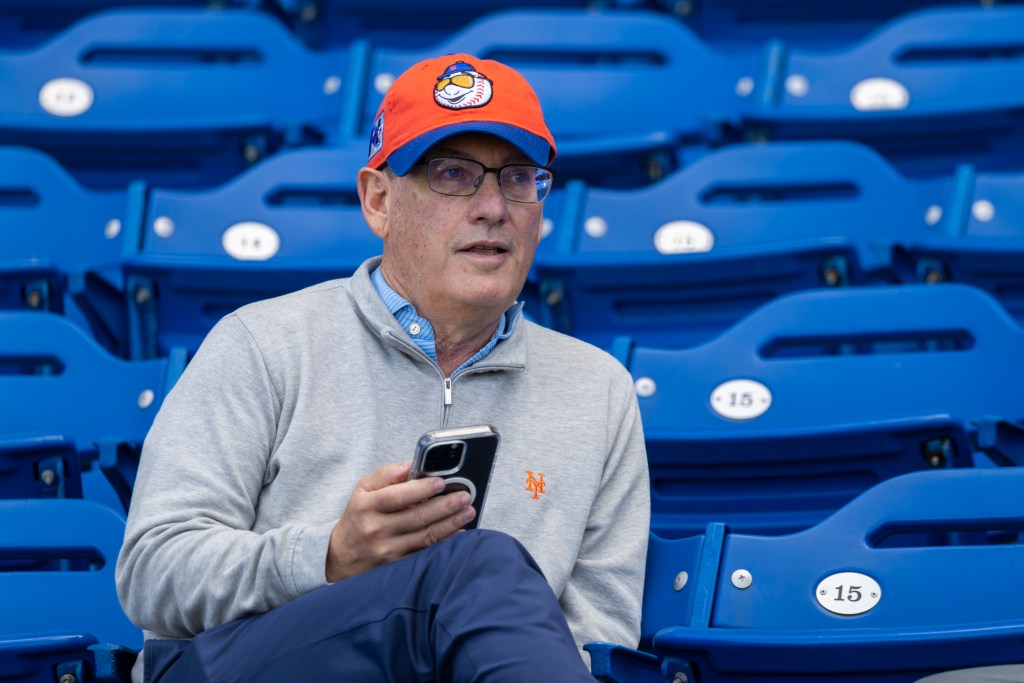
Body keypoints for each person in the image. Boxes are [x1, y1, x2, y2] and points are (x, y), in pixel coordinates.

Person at [116, 53, 650, 682]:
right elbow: (153, 573)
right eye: (453, 174)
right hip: (243, 667)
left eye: (517, 178)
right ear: (378, 199)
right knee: (477, 568)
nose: (493, 207)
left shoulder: (597, 390)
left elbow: (596, 642)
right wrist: (330, 555)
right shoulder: (263, 343)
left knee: (476, 573)